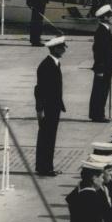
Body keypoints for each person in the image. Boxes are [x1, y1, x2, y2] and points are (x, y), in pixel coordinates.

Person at [34, 36, 67, 176]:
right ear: (55, 49)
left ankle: (48, 166)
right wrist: (40, 110)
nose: (64, 50)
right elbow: (39, 90)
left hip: (54, 107)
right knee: (46, 137)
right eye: (62, 47)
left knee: (50, 137)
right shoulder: (46, 65)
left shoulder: (55, 63)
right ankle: (44, 168)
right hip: (48, 108)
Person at [88, 5, 112, 122]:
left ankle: (98, 113)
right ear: (105, 17)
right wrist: (99, 68)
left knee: (103, 91)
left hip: (106, 66)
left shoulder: (105, 30)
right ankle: (97, 114)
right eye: (110, 15)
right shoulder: (102, 31)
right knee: (100, 91)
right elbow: (98, 51)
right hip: (102, 67)